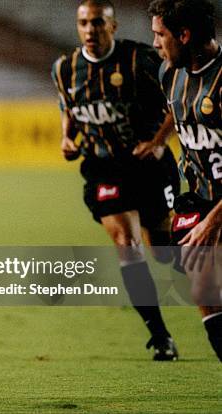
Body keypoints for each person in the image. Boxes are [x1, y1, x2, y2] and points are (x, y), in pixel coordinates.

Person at [51, 0, 180, 360]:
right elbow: (68, 106)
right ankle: (160, 336)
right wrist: (67, 136)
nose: (90, 30)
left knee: (167, 253)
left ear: (113, 26)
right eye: (83, 23)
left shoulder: (141, 61)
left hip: (149, 167)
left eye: (97, 23)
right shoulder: (65, 69)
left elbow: (177, 101)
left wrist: (158, 142)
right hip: (103, 169)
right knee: (126, 242)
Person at [149, 0, 222, 361]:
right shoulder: (170, 74)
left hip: (219, 208)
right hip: (201, 199)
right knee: (204, 291)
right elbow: (174, 114)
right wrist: (157, 141)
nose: (156, 44)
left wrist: (214, 220)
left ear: (185, 34)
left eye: (160, 35)